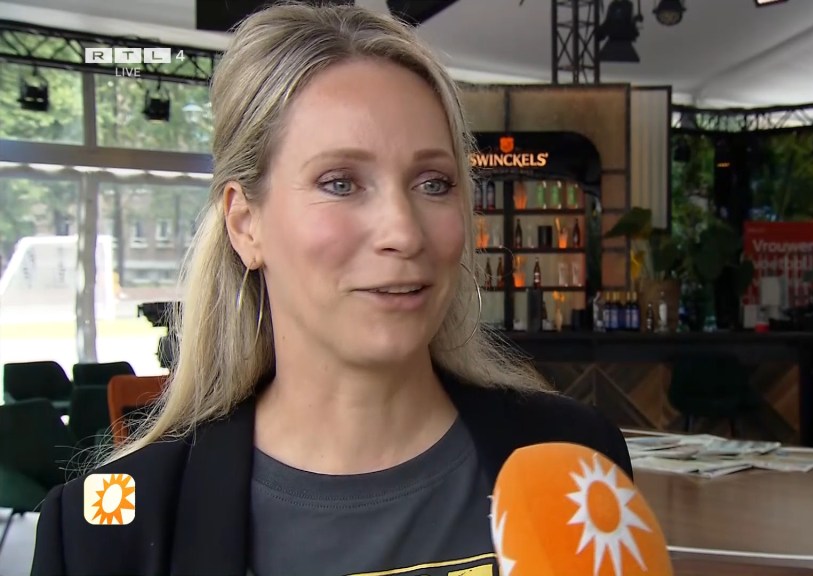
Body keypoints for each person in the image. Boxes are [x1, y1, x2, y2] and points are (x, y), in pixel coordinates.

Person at [30, 3, 630, 576]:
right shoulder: (105, 526)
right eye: (340, 182)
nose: (403, 232)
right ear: (245, 223)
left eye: (433, 182)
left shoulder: (578, 464)